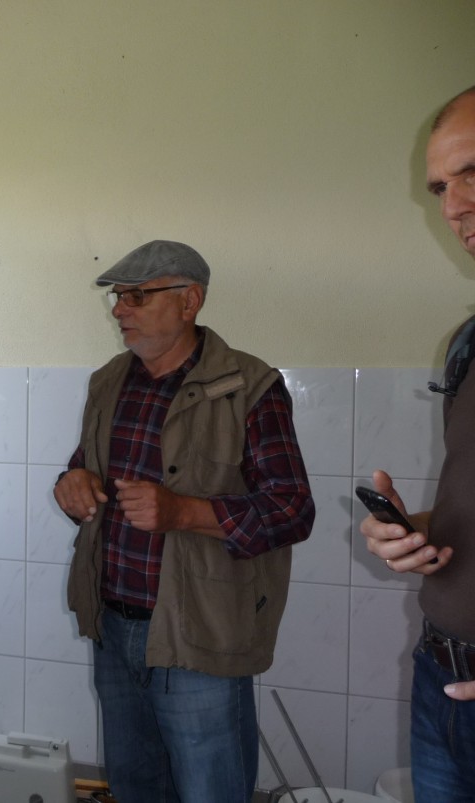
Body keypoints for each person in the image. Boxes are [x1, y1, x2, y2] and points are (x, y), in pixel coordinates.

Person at [54, 239, 315, 803]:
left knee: (209, 790)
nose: (119, 309)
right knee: (135, 785)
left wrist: (183, 512)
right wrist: (71, 483)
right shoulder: (109, 382)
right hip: (114, 625)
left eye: (137, 296)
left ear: (190, 300)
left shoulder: (249, 386)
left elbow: (291, 510)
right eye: (118, 296)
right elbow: (84, 469)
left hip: (200, 632)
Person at [359, 84, 475, 800]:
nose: (454, 207)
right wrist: (414, 530)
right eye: (439, 188)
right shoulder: (468, 345)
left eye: (472, 173)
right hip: (439, 675)